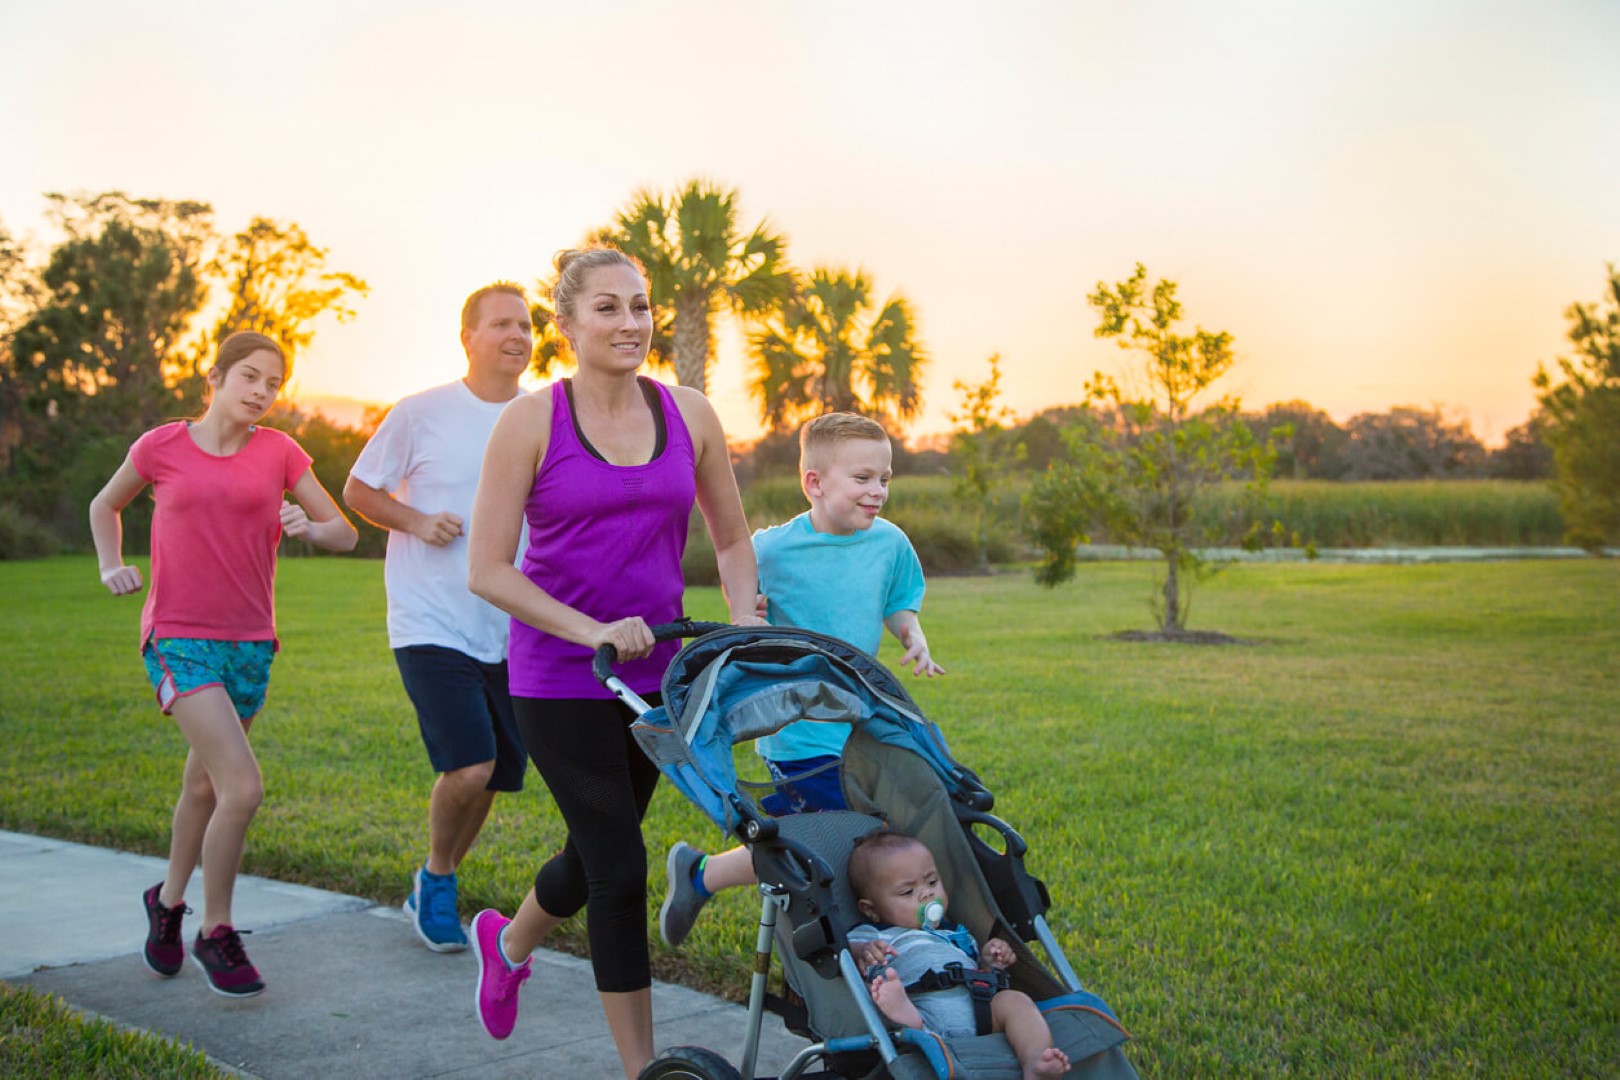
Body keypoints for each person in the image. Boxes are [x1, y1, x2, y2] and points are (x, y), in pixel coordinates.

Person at [463, 245, 763, 1078]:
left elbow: (732, 537)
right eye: (607, 308)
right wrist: (590, 627)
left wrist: (741, 621)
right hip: (559, 677)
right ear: (567, 326)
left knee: (599, 849)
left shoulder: (691, 414)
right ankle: (642, 1072)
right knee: (620, 867)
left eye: (639, 305)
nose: (630, 322)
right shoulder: (530, 421)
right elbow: (487, 568)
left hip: (657, 678)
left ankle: (510, 939)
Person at [88, 330, 358, 998]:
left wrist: (310, 528)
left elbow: (345, 533)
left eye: (273, 383)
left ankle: (167, 905)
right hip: (178, 637)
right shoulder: (161, 446)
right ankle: (216, 929)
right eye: (249, 376)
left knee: (205, 787)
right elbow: (105, 504)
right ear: (215, 376)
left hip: (251, 643)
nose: (261, 392)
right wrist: (111, 564)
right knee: (242, 787)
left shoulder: (280, 453)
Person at [659, 411, 944, 948]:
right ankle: (714, 884)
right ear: (814, 482)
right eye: (862, 479)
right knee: (820, 848)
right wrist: (749, 608)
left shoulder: (889, 544)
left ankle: (700, 873)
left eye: (884, 479)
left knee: (843, 841)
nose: (877, 491)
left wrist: (913, 635)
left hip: (861, 721)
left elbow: (898, 603)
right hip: (797, 730)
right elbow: (740, 591)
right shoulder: (771, 548)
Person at [343, 282, 532, 953]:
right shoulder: (421, 412)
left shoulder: (543, 416)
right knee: (471, 765)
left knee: (500, 773)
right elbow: (359, 489)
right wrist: (417, 520)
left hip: (511, 626)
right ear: (468, 337)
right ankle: (440, 877)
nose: (518, 335)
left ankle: (435, 876)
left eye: (527, 325)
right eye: (502, 323)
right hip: (429, 621)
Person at [847, 829, 1071, 1080]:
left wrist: (989, 961)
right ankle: (909, 1022)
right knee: (891, 995)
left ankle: (1036, 1059)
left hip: (979, 1012)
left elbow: (978, 974)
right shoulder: (878, 935)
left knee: (1015, 1001)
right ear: (872, 910)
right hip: (923, 1011)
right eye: (907, 892)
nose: (926, 894)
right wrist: (863, 951)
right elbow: (845, 952)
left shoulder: (956, 934)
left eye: (932, 882)